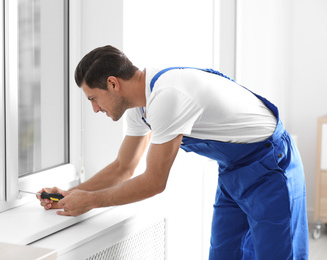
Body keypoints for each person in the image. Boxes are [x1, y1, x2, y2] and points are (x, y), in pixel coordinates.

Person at [38, 45, 308, 259]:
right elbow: (123, 167)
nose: (95, 109)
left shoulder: (167, 96)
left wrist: (91, 202)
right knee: (225, 253)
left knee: (276, 255)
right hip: (233, 171)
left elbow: (154, 182)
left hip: (271, 165)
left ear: (112, 83)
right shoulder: (139, 107)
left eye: (93, 99)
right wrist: (71, 195)